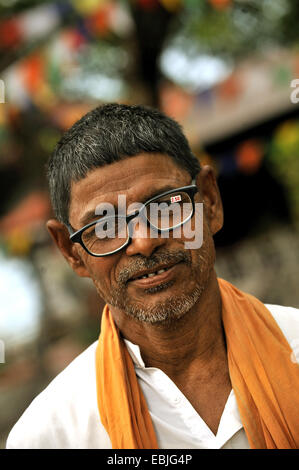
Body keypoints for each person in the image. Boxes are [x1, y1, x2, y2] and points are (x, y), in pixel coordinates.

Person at [6, 103, 299, 450]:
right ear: (72, 252)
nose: (144, 242)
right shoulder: (52, 435)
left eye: (167, 204)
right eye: (105, 225)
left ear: (210, 201)